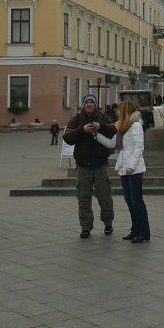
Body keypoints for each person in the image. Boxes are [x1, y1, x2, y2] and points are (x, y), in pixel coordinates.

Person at [95, 101, 150, 243]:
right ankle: (135, 229)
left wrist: (131, 166)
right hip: (124, 168)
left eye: (119, 109)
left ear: (125, 110)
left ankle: (144, 232)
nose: (117, 112)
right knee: (129, 200)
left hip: (134, 169)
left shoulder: (136, 126)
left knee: (136, 201)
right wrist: (96, 135)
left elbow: (139, 147)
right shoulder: (121, 126)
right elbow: (112, 144)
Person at [63, 94, 117, 238]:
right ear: (83, 104)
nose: (89, 104)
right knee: (83, 198)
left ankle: (108, 223)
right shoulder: (76, 119)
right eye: (86, 102)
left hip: (101, 165)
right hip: (83, 166)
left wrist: (101, 126)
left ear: (95, 104)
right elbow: (67, 138)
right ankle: (86, 226)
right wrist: (82, 130)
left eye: (91, 102)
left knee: (105, 197)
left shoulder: (103, 117)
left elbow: (113, 131)